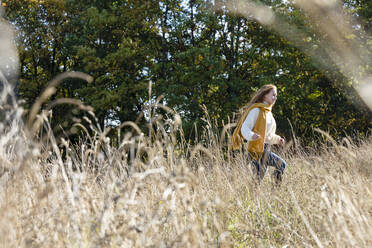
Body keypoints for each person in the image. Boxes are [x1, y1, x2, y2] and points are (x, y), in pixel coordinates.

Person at [231, 84, 287, 185]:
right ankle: (275, 190)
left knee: (257, 181)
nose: (275, 98)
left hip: (265, 147)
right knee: (281, 165)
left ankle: (252, 196)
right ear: (265, 95)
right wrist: (251, 135)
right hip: (256, 149)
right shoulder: (256, 110)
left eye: (276, 96)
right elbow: (245, 127)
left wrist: (278, 139)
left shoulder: (268, 112)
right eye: (273, 95)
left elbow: (268, 135)